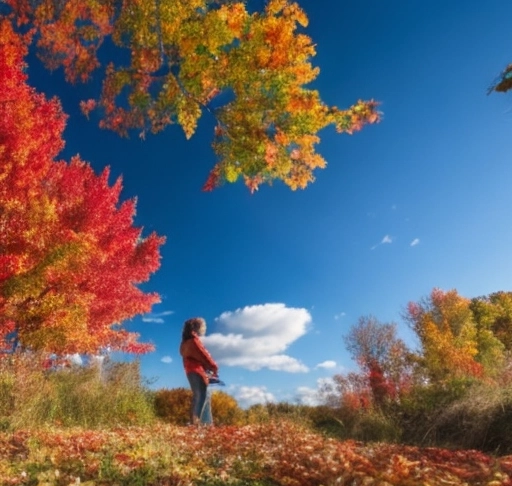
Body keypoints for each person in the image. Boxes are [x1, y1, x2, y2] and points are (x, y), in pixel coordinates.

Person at [179, 317, 218, 425]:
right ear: (197, 327)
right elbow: (204, 355)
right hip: (197, 371)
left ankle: (206, 424)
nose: (204, 328)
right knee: (201, 396)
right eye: (203, 326)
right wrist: (214, 367)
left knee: (203, 396)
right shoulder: (194, 341)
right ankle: (196, 424)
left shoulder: (184, 343)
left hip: (190, 371)